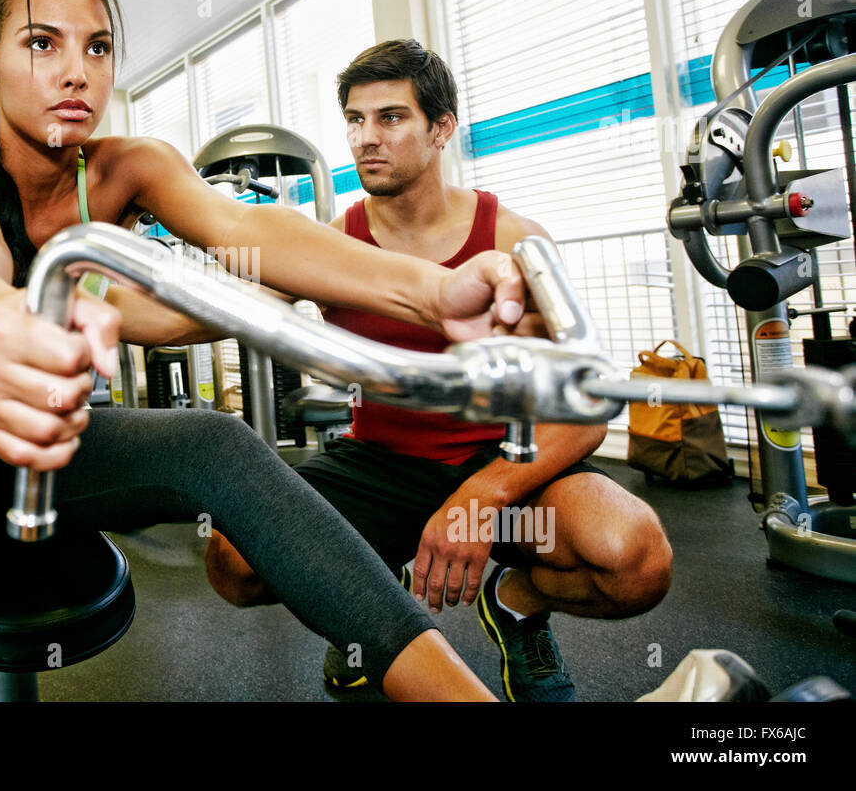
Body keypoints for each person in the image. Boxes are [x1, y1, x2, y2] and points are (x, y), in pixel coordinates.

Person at [0, 0, 535, 701]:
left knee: (216, 441)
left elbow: (243, 226)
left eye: (98, 47)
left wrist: (437, 292)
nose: (77, 71)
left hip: (72, 447)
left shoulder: (123, 169)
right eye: (42, 43)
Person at [204, 40, 674, 702]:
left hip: (501, 461)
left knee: (635, 559)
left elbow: (585, 406)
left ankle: (516, 604)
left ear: (442, 127)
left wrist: (480, 498)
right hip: (378, 465)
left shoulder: (513, 239)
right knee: (235, 560)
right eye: (355, 120)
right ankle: (370, 606)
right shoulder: (332, 241)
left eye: (390, 118)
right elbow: (221, 307)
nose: (367, 138)